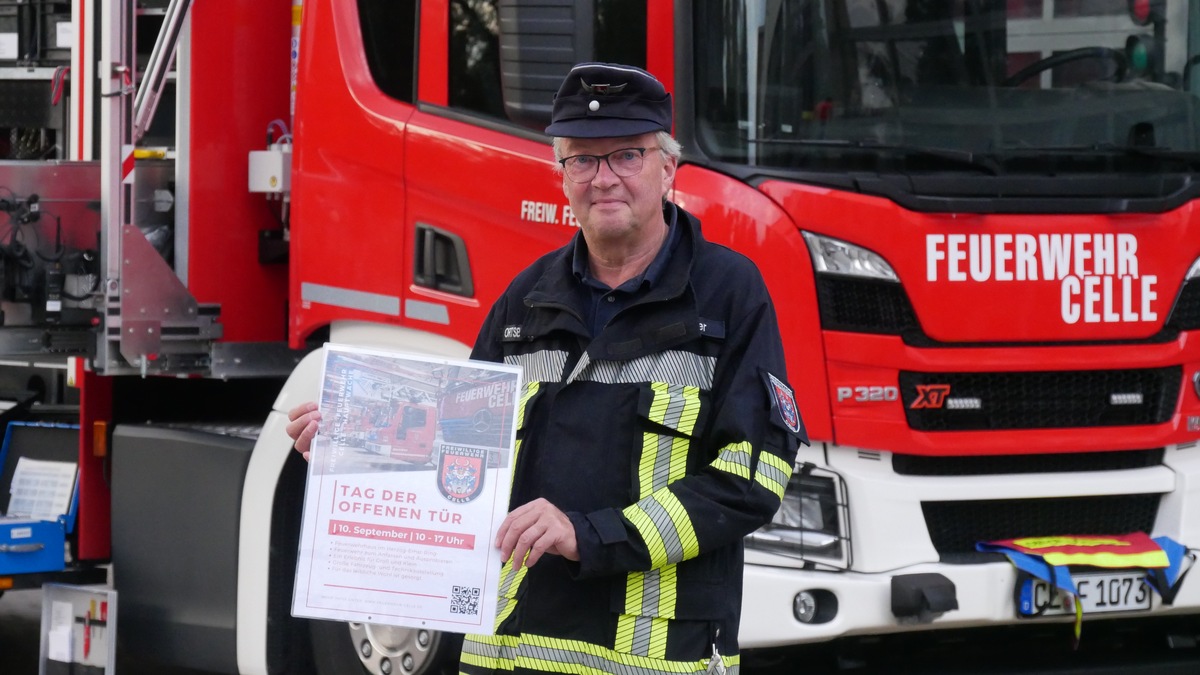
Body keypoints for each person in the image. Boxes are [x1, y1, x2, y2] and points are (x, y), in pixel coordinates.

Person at [288, 62, 806, 675]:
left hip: (656, 661)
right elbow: (458, 463)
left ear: (669, 169)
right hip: (507, 655)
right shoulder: (524, 300)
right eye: (582, 160)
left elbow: (753, 479)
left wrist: (591, 535)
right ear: (560, 176)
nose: (603, 179)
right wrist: (358, 455)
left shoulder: (727, 296)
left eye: (626, 156)